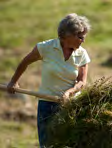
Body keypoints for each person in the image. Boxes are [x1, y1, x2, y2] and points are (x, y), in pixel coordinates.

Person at [6, 13, 91, 147]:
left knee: (68, 144)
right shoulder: (46, 47)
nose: (83, 40)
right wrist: (13, 81)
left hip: (70, 106)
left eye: (84, 37)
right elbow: (25, 62)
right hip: (47, 104)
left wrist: (69, 93)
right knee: (47, 144)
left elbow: (82, 82)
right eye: (80, 37)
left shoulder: (82, 54)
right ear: (67, 35)